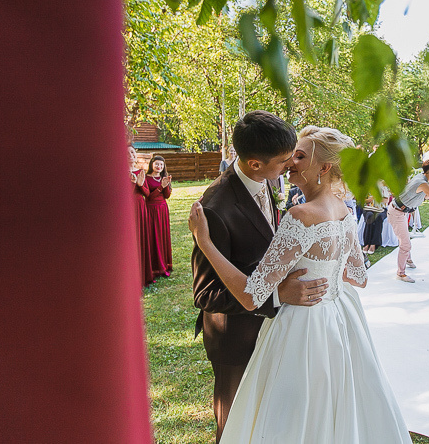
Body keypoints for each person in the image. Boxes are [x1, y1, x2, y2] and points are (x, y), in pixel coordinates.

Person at [189, 126, 412, 443]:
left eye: (300, 155)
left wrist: (205, 242)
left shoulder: (301, 215)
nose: (290, 161)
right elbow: (359, 277)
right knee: (330, 407)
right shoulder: (344, 213)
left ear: (323, 167)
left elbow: (252, 296)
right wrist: (327, 271)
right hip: (336, 325)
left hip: (300, 329)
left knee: (289, 417)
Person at [190, 111, 327, 442]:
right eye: (283, 161)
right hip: (234, 337)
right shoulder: (215, 208)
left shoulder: (267, 179)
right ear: (254, 163)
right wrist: (278, 295)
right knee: (234, 422)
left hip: (269, 331)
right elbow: (205, 294)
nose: (290, 165)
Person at [388, 160, 429, 282]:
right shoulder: (422, 183)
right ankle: (400, 274)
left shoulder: (421, 177)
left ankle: (408, 260)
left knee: (405, 239)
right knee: (405, 244)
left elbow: (427, 195)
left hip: (401, 211)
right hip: (397, 213)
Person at [128, 146, 154, 286]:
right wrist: (132, 184)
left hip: (140, 207)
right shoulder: (119, 172)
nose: (130, 155)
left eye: (132, 152)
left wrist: (139, 184)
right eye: (126, 153)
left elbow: (147, 193)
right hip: (127, 209)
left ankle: (143, 274)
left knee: (141, 238)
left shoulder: (141, 172)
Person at [145, 155, 173, 278]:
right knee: (153, 235)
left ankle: (165, 264)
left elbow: (166, 196)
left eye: (161, 165)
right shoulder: (146, 178)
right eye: (157, 164)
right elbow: (149, 196)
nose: (159, 167)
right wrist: (161, 186)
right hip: (151, 209)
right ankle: (155, 267)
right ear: (152, 164)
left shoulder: (164, 178)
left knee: (162, 235)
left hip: (162, 210)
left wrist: (166, 185)